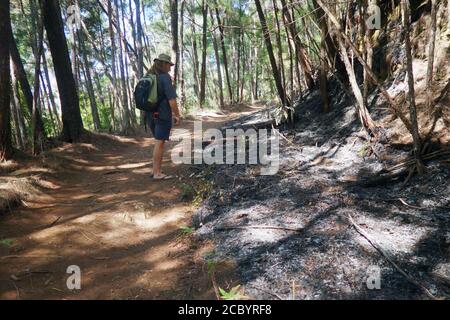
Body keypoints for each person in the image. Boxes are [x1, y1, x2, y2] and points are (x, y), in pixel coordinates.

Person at [146, 54, 181, 180]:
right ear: (163, 64)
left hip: (149, 115)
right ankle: (157, 173)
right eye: (169, 65)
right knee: (160, 143)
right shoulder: (164, 78)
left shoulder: (149, 76)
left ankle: (155, 170)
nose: (170, 68)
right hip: (162, 115)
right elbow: (172, 100)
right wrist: (177, 115)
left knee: (158, 142)